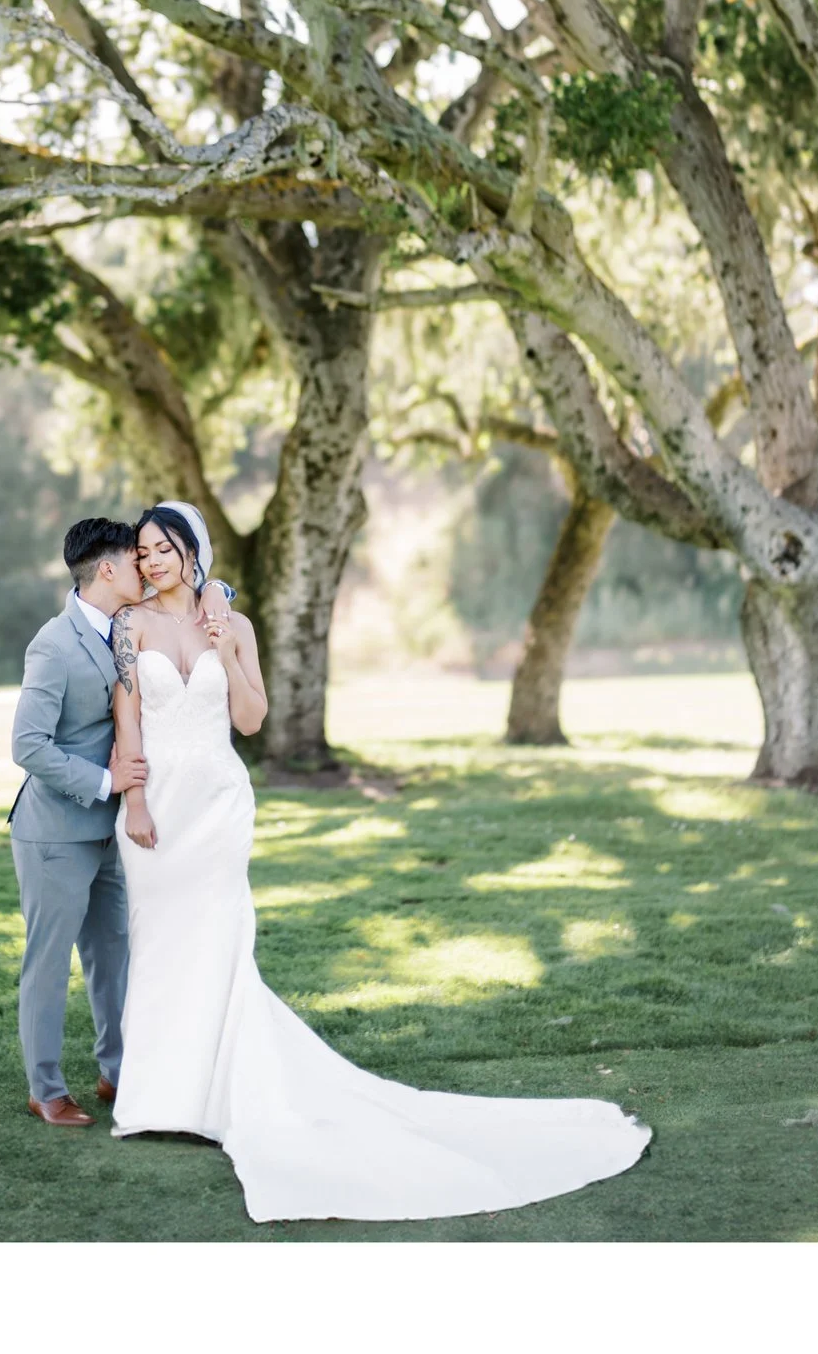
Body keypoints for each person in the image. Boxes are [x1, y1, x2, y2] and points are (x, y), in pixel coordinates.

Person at [100, 499, 653, 1222]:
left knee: (217, 943)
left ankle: (215, 1094)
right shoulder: (129, 626)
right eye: (141, 551)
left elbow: (251, 719)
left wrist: (226, 647)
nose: (149, 560)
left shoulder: (231, 624)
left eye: (160, 547)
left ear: (191, 549)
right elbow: (126, 717)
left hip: (219, 803)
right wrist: (135, 802)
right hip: (158, 804)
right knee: (159, 941)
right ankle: (159, 1098)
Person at [5, 516, 229, 1127]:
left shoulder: (130, 623)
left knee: (114, 954)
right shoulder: (53, 645)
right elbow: (28, 746)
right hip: (55, 831)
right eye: (137, 559)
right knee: (48, 963)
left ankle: (119, 1073)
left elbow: (205, 588)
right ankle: (46, 1089)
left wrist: (216, 591)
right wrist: (109, 782)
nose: (148, 567)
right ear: (108, 569)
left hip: (114, 832)